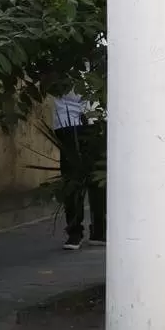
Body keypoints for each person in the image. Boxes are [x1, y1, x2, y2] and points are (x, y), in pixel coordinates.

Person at [53, 91, 106, 250]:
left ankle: (98, 230)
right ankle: (76, 232)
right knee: (73, 177)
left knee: (97, 176)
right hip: (67, 118)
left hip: (95, 116)